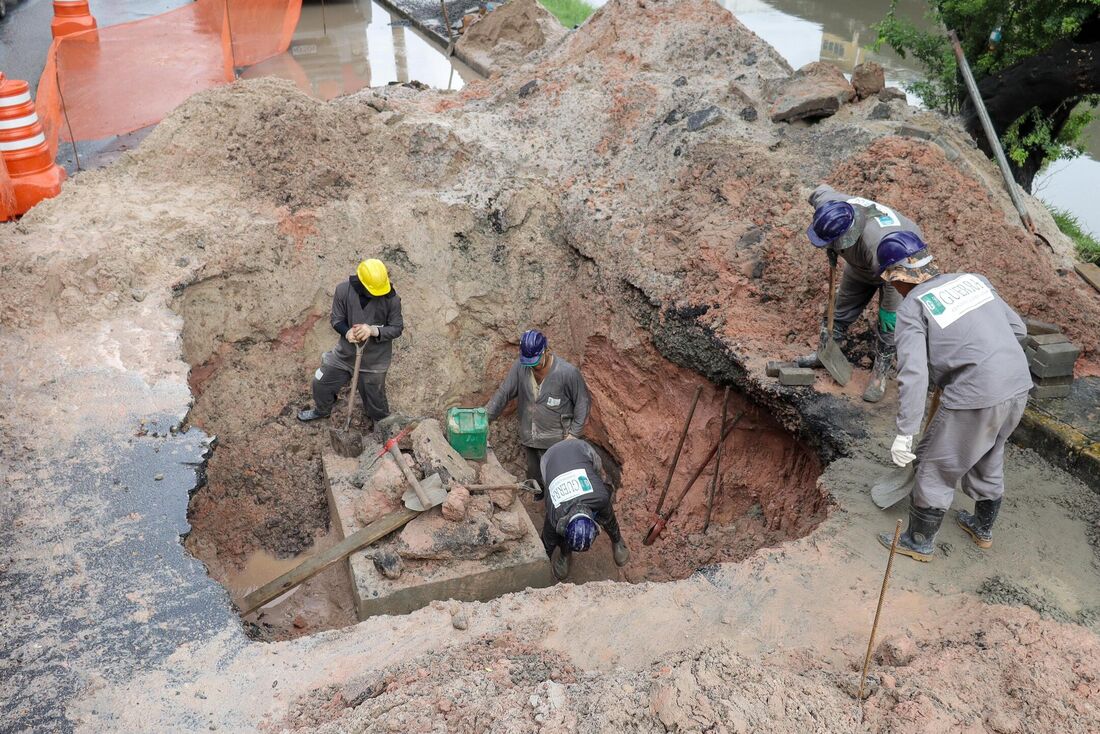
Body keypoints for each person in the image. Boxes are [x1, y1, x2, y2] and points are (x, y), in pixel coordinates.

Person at [875, 231, 1032, 562]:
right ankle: (982, 528)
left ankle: (919, 542)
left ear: (898, 276)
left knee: (936, 464)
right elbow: (1019, 330)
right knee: (988, 452)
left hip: (976, 392)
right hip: (1018, 383)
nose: (895, 289)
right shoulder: (974, 280)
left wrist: (906, 432)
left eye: (892, 282)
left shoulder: (913, 307)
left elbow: (914, 375)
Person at [801, 184, 924, 403]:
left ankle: (880, 376)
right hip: (861, 265)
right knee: (839, 310)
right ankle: (824, 353)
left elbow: (895, 281)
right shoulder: (830, 203)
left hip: (901, 263)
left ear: (849, 235)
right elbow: (818, 190)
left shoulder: (877, 244)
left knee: (889, 325)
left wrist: (889, 311)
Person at [298, 259, 403, 425]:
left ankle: (381, 422)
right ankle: (322, 410)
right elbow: (336, 319)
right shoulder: (343, 290)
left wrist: (373, 330)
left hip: (374, 362)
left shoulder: (392, 299)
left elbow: (397, 328)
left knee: (376, 399)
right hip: (344, 354)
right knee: (320, 381)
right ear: (361, 282)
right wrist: (347, 332)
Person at [484, 329, 590, 491]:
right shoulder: (521, 367)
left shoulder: (567, 373)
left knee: (558, 481)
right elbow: (504, 393)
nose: (532, 366)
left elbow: (582, 403)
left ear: (546, 351)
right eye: (528, 362)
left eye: (535, 361)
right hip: (530, 437)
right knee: (535, 476)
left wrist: (574, 434)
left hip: (558, 441)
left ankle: (553, 508)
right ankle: (537, 497)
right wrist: (484, 418)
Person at [539, 438, 630, 580]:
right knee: (556, 536)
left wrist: (615, 536)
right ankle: (565, 554)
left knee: (606, 513)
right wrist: (541, 565)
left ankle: (617, 541)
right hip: (549, 458)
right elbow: (547, 543)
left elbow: (609, 519)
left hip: (581, 449)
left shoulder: (600, 497)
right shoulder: (554, 516)